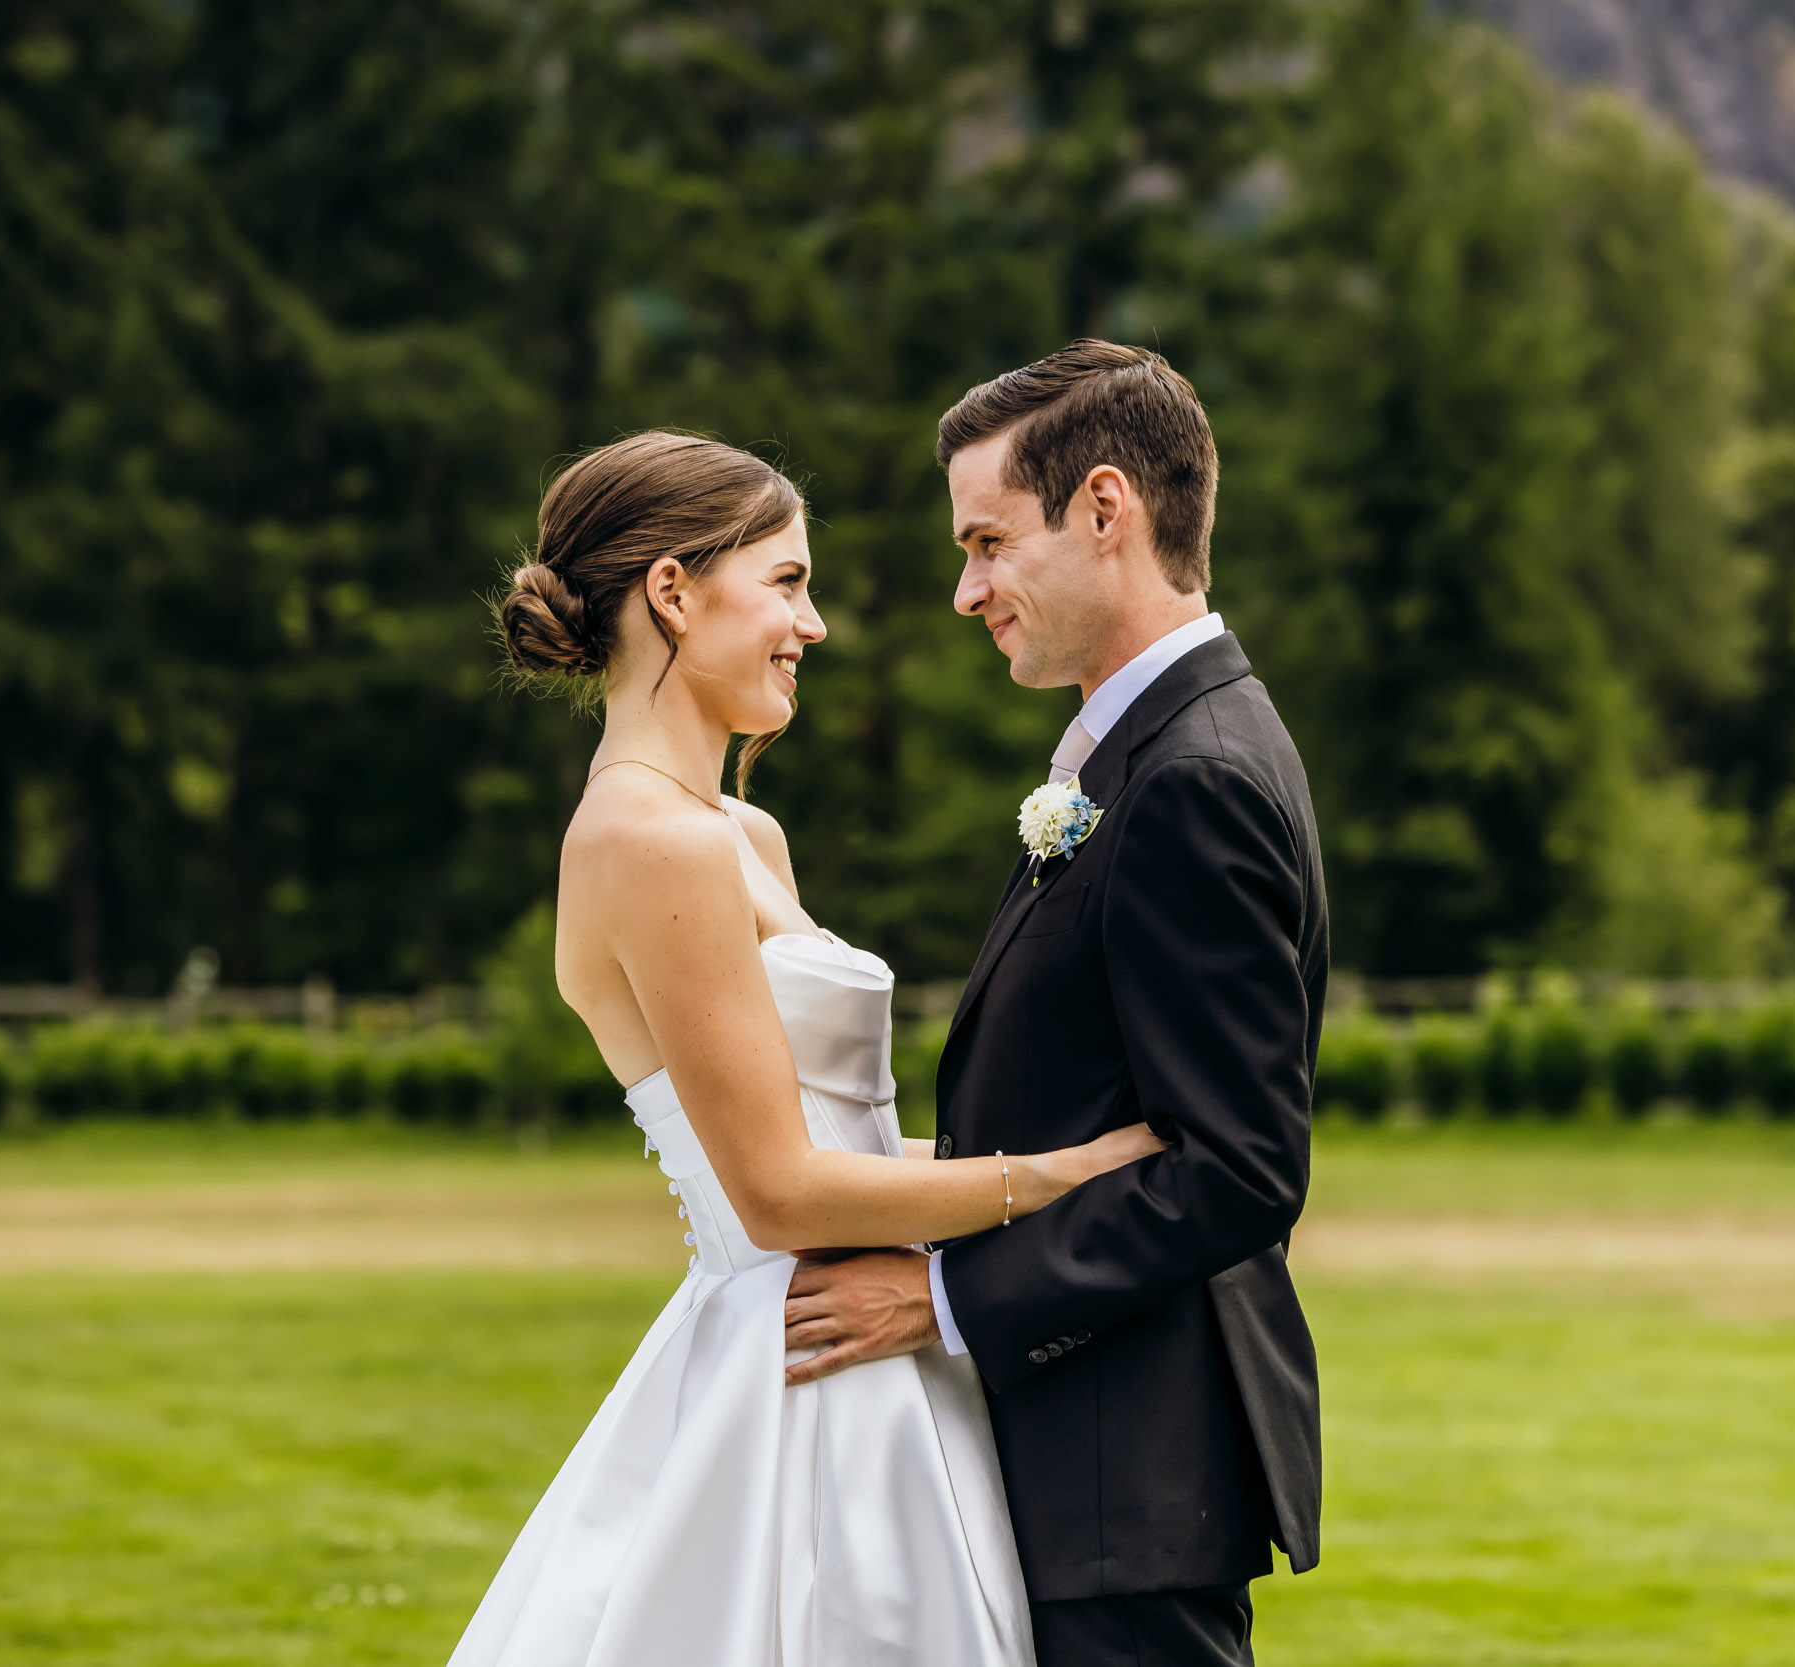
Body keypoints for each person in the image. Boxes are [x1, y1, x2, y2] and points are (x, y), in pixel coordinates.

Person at [446, 429, 1166, 1667]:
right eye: (785, 581)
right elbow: (779, 1191)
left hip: (879, 1343)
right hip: (799, 1359)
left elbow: (843, 1138)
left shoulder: (742, 833)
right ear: (672, 592)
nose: (812, 624)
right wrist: (1063, 1175)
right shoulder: (645, 839)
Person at [784, 341, 1327, 1667]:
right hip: (1088, 1462)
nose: (965, 589)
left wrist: (943, 1299)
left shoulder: (1193, 775)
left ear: (1103, 509)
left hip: (1127, 1470)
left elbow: (1239, 1168)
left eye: (987, 543)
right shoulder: (1140, 753)